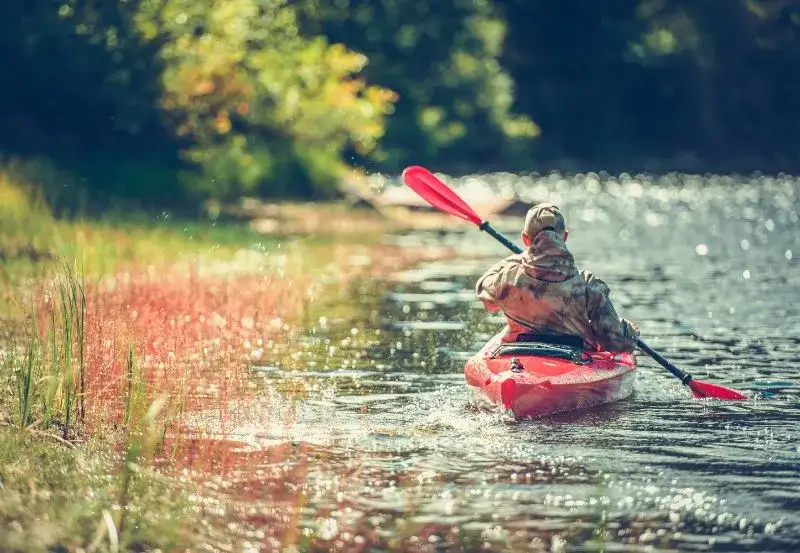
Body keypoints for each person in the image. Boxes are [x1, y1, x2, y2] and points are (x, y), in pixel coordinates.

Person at [475, 202, 639, 352]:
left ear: (525, 239)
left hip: (519, 357)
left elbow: (485, 294)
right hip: (575, 360)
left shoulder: (506, 277)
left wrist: (518, 259)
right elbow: (616, 342)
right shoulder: (589, 286)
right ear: (565, 237)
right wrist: (629, 331)